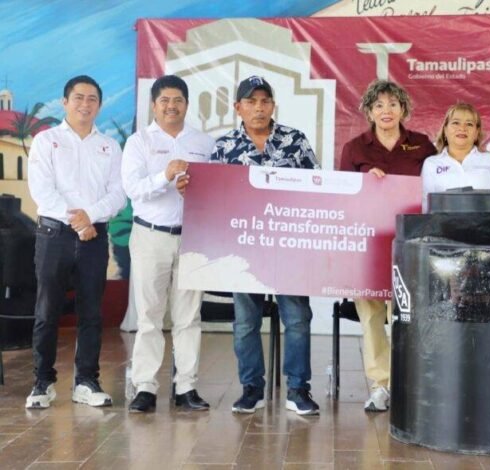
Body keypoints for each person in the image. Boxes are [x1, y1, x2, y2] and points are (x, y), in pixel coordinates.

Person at [178, 75, 320, 415]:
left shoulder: (295, 141)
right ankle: (251, 388)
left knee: (297, 319)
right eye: (251, 101)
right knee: (245, 323)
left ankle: (298, 389)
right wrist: (190, 191)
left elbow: (317, 187)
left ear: (273, 105)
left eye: (265, 101)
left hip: (289, 248)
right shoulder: (225, 147)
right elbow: (212, 197)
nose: (259, 107)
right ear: (238, 107)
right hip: (242, 250)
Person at [25, 75, 125, 409]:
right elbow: (42, 191)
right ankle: (42, 383)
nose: (85, 104)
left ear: (100, 105)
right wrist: (78, 223)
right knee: (46, 310)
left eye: (92, 99)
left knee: (91, 312)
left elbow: (118, 194)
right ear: (65, 102)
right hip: (54, 235)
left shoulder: (109, 146)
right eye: (79, 97)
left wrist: (89, 217)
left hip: (94, 237)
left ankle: (86, 381)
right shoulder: (46, 140)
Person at [340, 79, 436, 411]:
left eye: (393, 104)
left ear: (403, 109)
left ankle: (408, 383)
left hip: (411, 245)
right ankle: (380, 385)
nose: (386, 110)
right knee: (371, 318)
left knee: (407, 316)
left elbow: (436, 188)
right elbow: (344, 198)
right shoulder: (355, 148)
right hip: (368, 247)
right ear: (368, 111)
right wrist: (365, 184)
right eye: (379, 105)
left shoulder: (422, 145)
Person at [122, 75, 215, 413]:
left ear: (187, 104)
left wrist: (197, 190)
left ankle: (186, 387)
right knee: (149, 315)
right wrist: (165, 175)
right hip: (150, 236)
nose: (171, 106)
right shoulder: (139, 142)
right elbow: (133, 189)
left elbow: (217, 189)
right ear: (154, 105)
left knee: (188, 316)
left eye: (178, 100)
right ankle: (145, 387)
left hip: (192, 237)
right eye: (164, 100)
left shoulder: (204, 143)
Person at [421, 102, 490, 211]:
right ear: (445, 130)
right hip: (444, 222)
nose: (462, 128)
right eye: (456, 123)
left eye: (469, 124)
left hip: (486, 222)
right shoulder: (431, 164)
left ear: (476, 133)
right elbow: (425, 205)